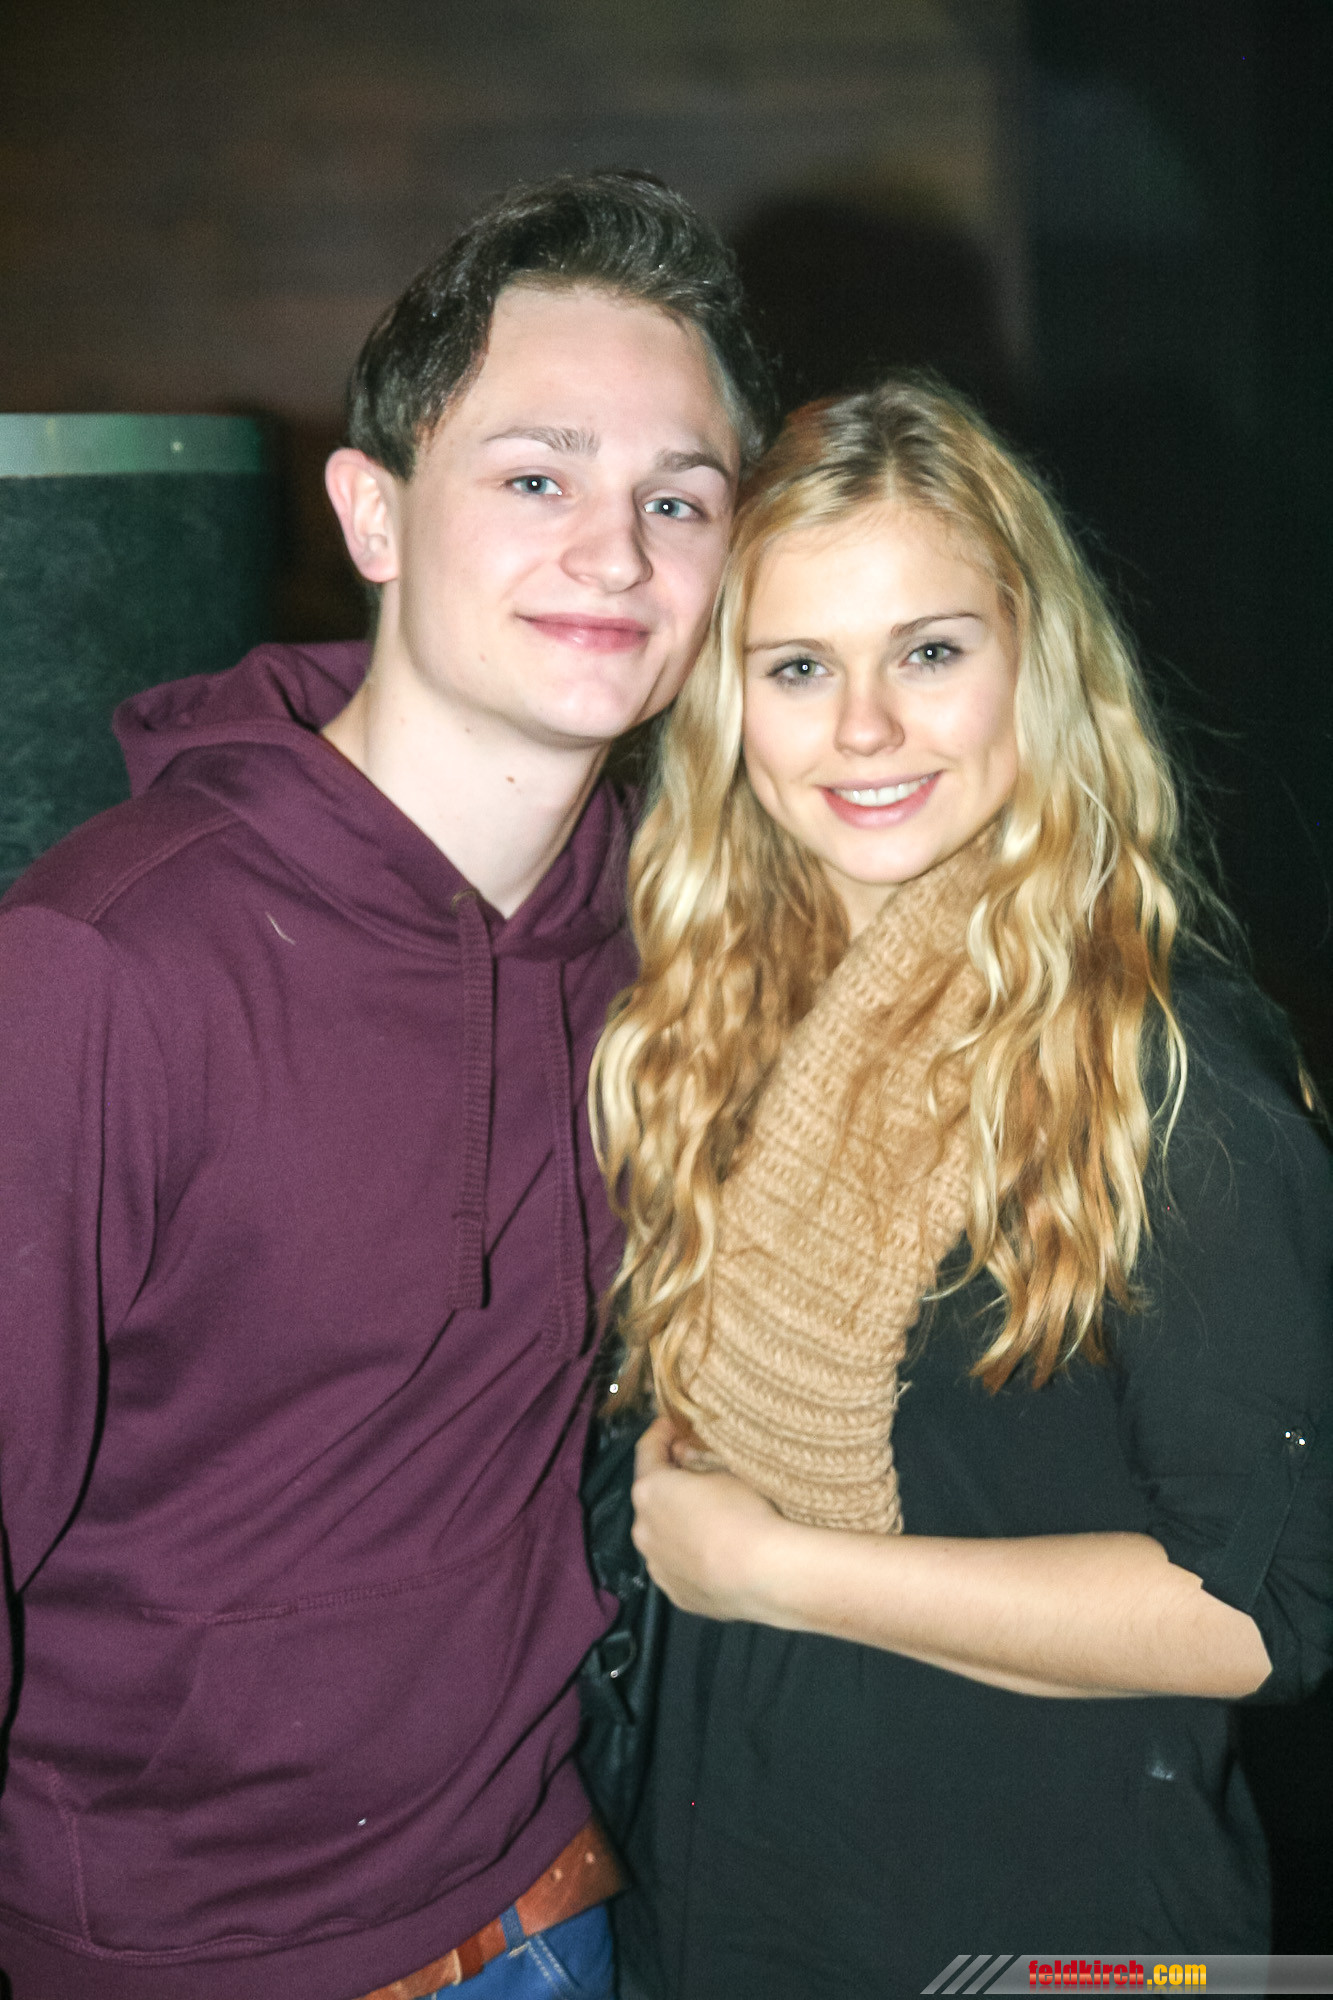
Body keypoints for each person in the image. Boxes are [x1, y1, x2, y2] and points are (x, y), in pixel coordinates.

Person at [0, 170, 773, 2000]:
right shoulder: (105, 966)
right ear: (371, 512)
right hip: (179, 1959)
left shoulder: (680, 935)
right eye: (536, 478)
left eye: (678, 499)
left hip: (550, 1895)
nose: (615, 555)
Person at [592, 378, 1333, 1996]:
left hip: (1060, 1944)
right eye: (798, 667)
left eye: (928, 653)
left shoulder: (1164, 1069)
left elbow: (1267, 1616)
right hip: (735, 1915)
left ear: (1034, 664)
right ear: (725, 703)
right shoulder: (714, 1026)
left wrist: (775, 1572)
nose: (863, 729)